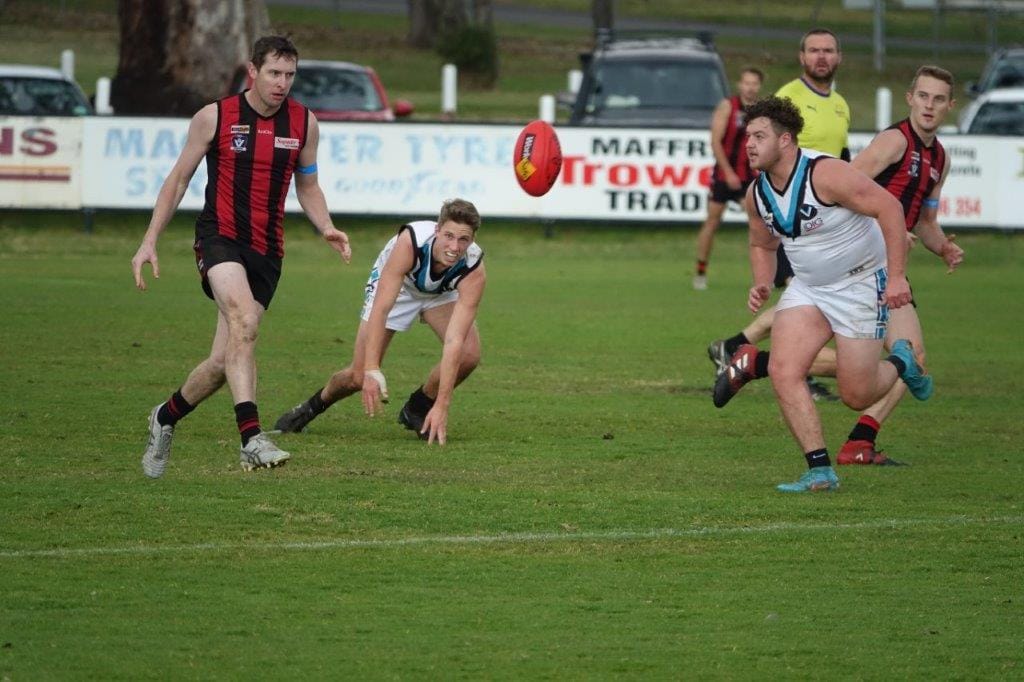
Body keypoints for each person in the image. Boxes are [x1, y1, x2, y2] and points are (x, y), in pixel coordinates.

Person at [712, 66, 965, 466]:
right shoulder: (893, 141)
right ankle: (823, 465)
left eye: (938, 99)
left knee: (873, 380)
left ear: (950, 105)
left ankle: (866, 415)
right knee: (791, 368)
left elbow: (913, 216)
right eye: (923, 96)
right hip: (831, 276)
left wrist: (936, 251)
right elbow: (842, 194)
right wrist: (762, 280)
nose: (929, 105)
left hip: (869, 272)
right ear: (910, 99)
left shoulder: (937, 158)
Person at [132, 36, 352, 478]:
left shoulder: (304, 123)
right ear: (252, 71)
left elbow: (308, 185)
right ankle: (251, 438)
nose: (282, 83)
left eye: (289, 75)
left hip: (267, 251)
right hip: (220, 239)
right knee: (245, 320)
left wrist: (325, 225)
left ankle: (165, 416)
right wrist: (150, 239)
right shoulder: (215, 117)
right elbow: (178, 180)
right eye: (274, 73)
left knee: (222, 362)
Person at [707, 28, 849, 399]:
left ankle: (735, 347)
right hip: (797, 220)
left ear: (839, 57)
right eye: (814, 50)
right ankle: (786, 367)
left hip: (833, 227)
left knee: (803, 301)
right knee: (808, 300)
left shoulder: (840, 104)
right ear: (802, 57)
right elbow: (770, 153)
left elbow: (843, 160)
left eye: (828, 50)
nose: (821, 57)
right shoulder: (789, 97)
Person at [273, 199, 485, 445]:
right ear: (437, 230)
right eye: (448, 236)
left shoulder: (473, 269)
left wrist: (441, 405)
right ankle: (311, 407)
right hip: (400, 285)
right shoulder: (411, 243)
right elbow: (381, 309)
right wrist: (372, 369)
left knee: (468, 354)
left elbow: (454, 340)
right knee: (358, 376)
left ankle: (417, 408)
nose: (454, 247)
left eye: (463, 239)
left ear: (472, 240)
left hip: (440, 293)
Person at [693, 67, 764, 290]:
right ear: (740, 84)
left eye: (754, 83)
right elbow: (715, 141)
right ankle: (700, 271)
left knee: (759, 224)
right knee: (712, 221)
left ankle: (763, 276)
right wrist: (729, 172)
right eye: (746, 83)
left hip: (749, 176)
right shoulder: (728, 107)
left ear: (759, 86)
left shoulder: (762, 112)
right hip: (725, 175)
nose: (750, 88)